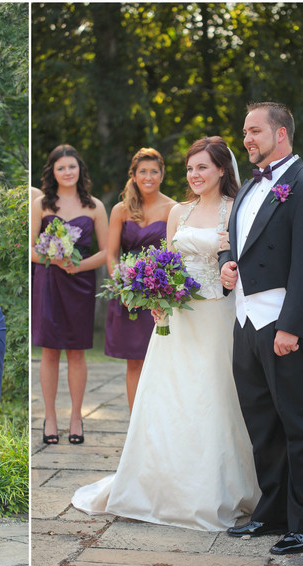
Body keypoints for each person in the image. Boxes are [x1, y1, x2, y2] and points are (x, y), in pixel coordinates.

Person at [72, 137, 260, 529]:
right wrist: (154, 295)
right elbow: (168, 262)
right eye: (190, 168)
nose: (194, 175)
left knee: (214, 398)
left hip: (216, 316)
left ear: (222, 170)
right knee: (169, 399)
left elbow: (243, 260)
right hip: (176, 320)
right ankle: (159, 487)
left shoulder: (235, 210)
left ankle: (215, 492)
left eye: (202, 167)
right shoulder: (179, 212)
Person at [219, 102, 303, 555]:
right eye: (245, 132)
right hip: (246, 322)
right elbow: (241, 249)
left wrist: (291, 328)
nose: (246, 139)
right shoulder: (250, 185)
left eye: (254, 131)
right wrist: (228, 270)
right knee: (262, 425)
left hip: (284, 328)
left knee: (301, 425)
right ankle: (272, 512)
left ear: (280, 134)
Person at [31, 145, 108, 445]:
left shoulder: (95, 206)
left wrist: (79, 266)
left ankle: (76, 417)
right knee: (49, 352)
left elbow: (106, 251)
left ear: (80, 170)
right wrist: (53, 258)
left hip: (81, 283)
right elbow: (30, 248)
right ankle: (50, 417)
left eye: (72, 167)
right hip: (49, 281)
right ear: (52, 171)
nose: (67, 172)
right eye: (61, 168)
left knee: (77, 352)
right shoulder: (41, 204)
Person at [104, 148, 175, 413]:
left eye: (154, 171)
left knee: (159, 358)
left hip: (158, 292)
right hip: (128, 294)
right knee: (134, 361)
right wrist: (121, 284)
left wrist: (159, 288)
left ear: (162, 174)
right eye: (142, 171)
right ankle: (136, 422)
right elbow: (111, 254)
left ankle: (159, 419)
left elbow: (173, 255)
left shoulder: (172, 209)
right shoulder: (120, 210)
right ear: (133, 175)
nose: (148, 177)